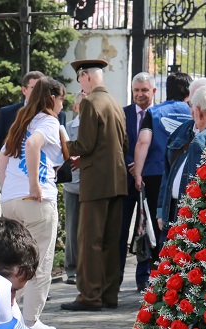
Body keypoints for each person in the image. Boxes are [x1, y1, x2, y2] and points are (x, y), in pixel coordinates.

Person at [0, 77, 69, 329]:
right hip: (36, 200)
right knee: (40, 261)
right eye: (61, 100)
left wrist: (7, 189)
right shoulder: (49, 122)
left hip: (12, 200)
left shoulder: (21, 121)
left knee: (13, 260)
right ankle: (30, 321)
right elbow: (33, 145)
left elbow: (2, 157)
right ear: (52, 99)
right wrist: (34, 185)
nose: (62, 105)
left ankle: (3, 314)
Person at [61, 59, 128, 313]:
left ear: (86, 76)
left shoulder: (90, 102)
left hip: (95, 181)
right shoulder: (115, 103)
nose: (80, 84)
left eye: (80, 79)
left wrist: (65, 147)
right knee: (111, 241)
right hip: (117, 180)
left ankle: (90, 296)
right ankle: (109, 294)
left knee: (89, 241)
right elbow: (123, 143)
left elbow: (85, 144)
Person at [130, 72, 194, 290]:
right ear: (188, 91)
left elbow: (143, 141)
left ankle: (158, 275)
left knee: (155, 227)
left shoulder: (154, 112)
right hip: (185, 176)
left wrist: (138, 173)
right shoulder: (193, 111)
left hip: (155, 174)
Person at [158, 79, 206, 231]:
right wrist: (161, 211)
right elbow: (167, 174)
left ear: (198, 111)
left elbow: (194, 191)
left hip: (194, 222)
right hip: (179, 212)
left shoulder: (202, 140)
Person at [119, 73, 157, 291]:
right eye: (136, 90)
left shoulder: (158, 115)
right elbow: (117, 144)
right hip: (125, 179)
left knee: (145, 229)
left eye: (144, 90)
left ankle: (143, 277)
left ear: (153, 91)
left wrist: (143, 167)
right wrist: (133, 165)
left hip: (149, 180)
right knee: (122, 229)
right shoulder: (123, 114)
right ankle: (117, 277)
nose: (140, 94)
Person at [0, 71, 45, 159]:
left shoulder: (57, 115)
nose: (38, 92)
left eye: (41, 88)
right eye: (33, 88)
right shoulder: (7, 113)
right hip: (15, 169)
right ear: (24, 90)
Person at [61, 91, 86, 284]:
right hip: (72, 186)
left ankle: (88, 268)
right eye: (82, 104)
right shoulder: (67, 128)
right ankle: (71, 270)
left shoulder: (96, 127)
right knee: (72, 229)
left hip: (92, 185)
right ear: (76, 107)